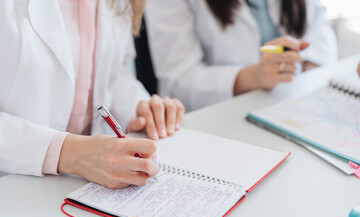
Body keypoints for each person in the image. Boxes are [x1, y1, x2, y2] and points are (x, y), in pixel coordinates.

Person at [0, 0, 185, 189]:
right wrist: (68, 152)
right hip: (14, 183)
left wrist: (139, 109)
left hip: (83, 183)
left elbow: (116, 69)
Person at [145, 0, 338, 111]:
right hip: (219, 118)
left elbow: (319, 22)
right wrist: (254, 76)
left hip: (291, 105)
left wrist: (311, 66)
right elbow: (178, 80)